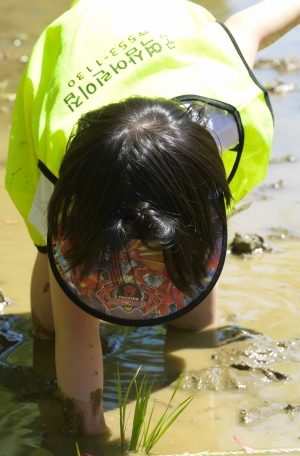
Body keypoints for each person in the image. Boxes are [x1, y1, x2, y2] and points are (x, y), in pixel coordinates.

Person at [5, 0, 300, 436]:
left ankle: (191, 316)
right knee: (54, 318)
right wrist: (88, 434)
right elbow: (77, 337)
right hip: (78, 50)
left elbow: (253, 22)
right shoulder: (64, 169)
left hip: (164, 26)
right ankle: (48, 323)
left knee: (188, 292)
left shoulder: (223, 102)